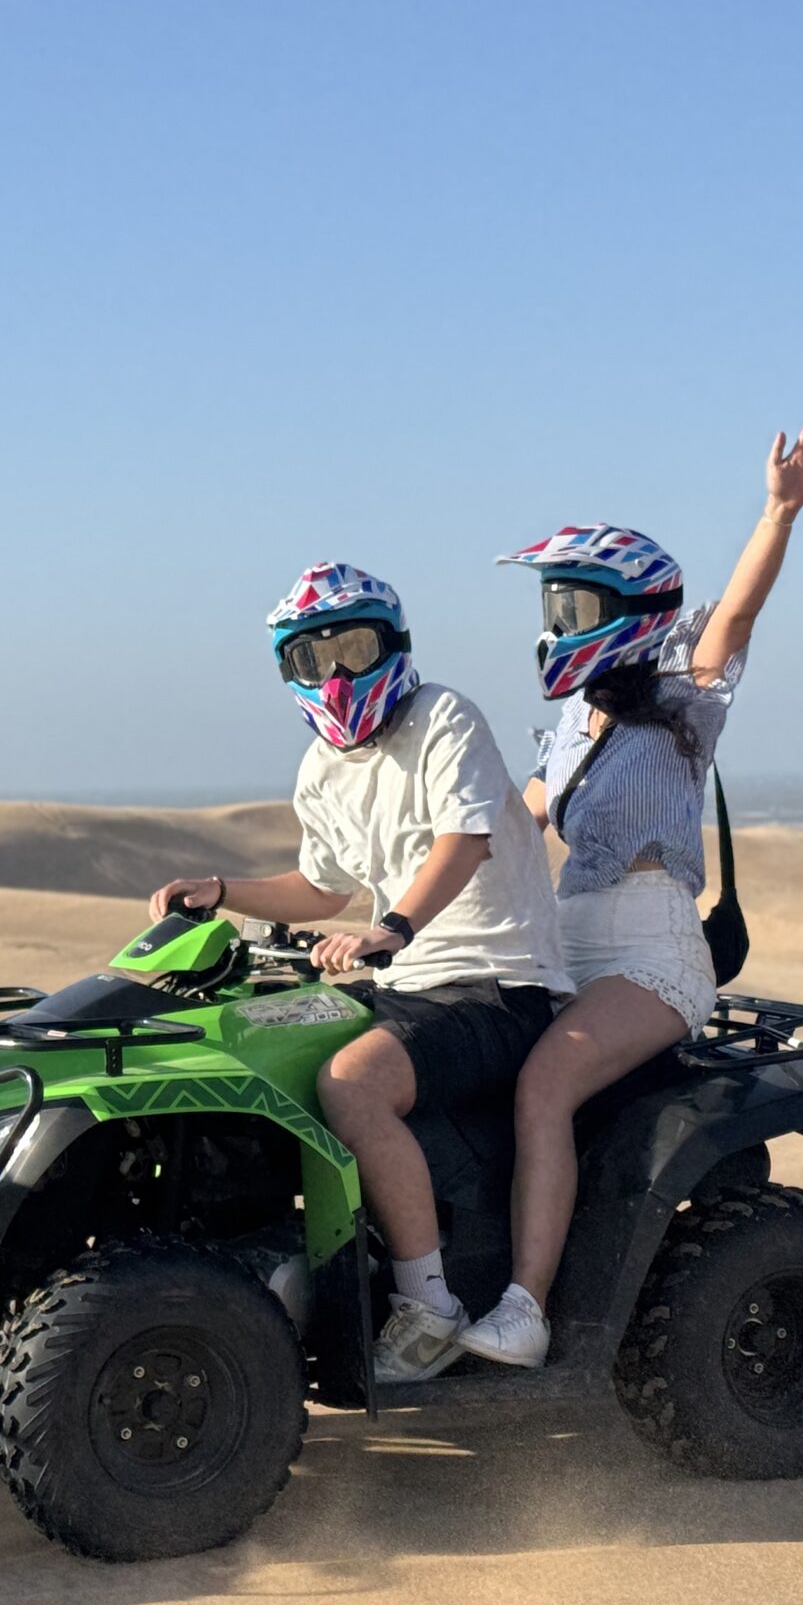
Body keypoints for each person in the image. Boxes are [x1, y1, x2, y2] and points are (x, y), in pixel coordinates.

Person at [453, 415, 803, 1371]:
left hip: (649, 953)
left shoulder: (683, 703)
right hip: (563, 944)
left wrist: (778, 513)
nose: (557, 626)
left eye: (575, 607)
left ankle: (527, 1311)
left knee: (545, 1086)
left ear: (626, 613)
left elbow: (736, 619)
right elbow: (504, 830)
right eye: (554, 607)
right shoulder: (567, 731)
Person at [150, 561, 573, 1384]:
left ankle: (429, 1307)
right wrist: (222, 890)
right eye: (313, 658)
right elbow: (320, 885)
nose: (336, 673)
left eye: (353, 646)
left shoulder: (444, 718)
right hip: (408, 986)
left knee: (353, 1085)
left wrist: (394, 927)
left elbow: (465, 841)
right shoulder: (321, 770)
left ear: (394, 644)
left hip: (499, 983)